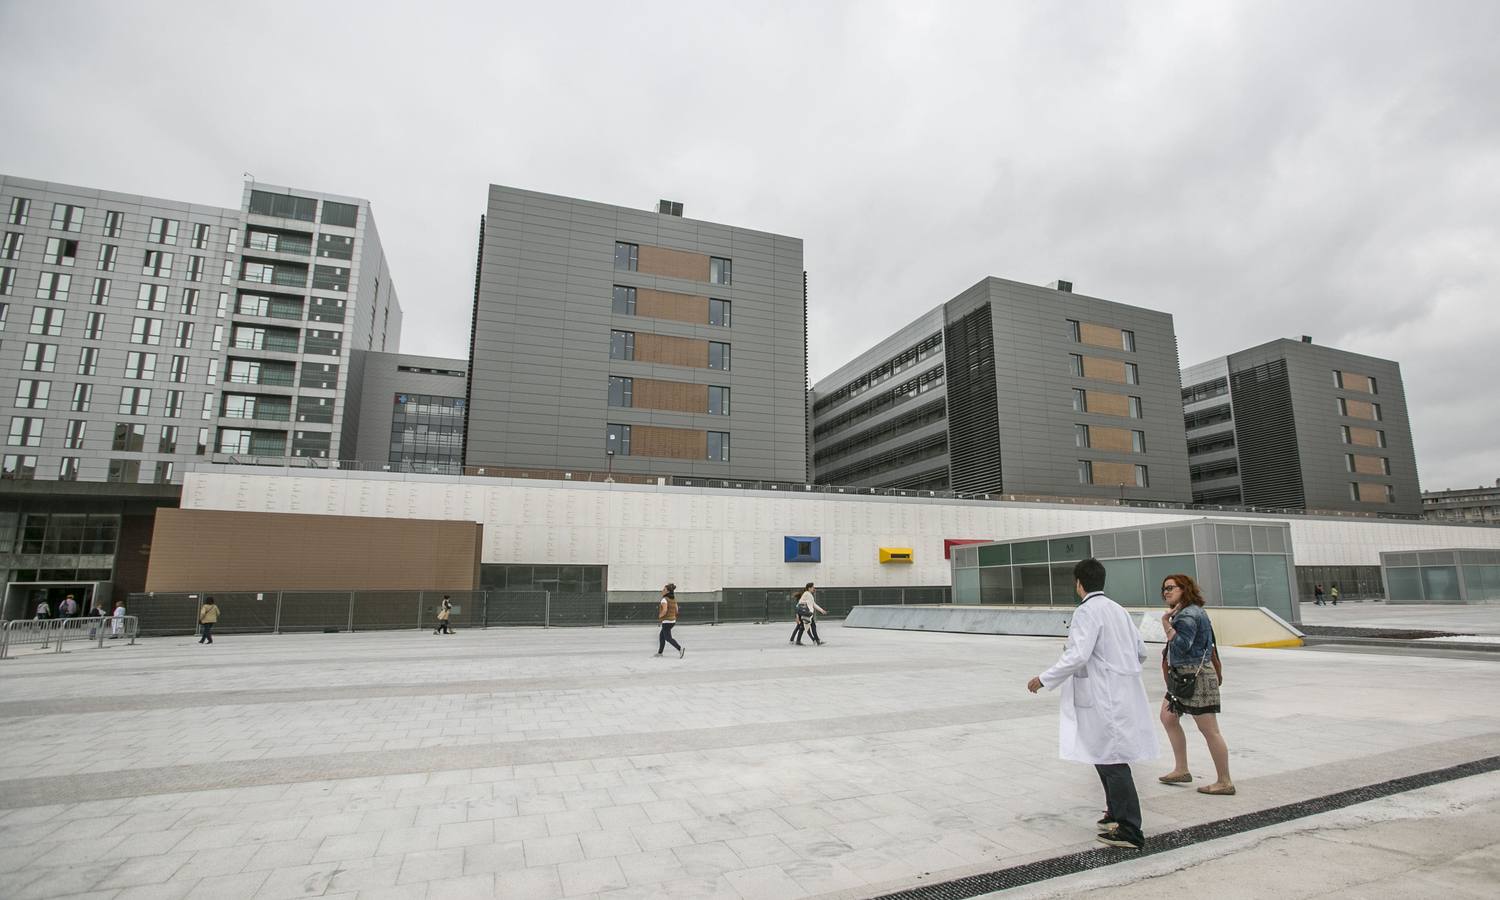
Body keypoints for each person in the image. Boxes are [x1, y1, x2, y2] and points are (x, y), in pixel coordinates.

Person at [1027, 558, 1156, 850]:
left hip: (1103, 695)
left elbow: (1078, 655)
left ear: (1078, 583)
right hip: (1118, 691)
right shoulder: (1118, 609)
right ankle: (1114, 813)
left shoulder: (1087, 611)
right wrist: (1120, 671)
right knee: (1104, 755)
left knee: (1112, 759)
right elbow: (1141, 651)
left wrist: (1043, 679)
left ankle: (1129, 829)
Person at [1157, 575, 1234, 796]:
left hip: (1195, 678)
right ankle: (1181, 769)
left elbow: (1182, 646)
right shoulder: (1189, 611)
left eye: (1171, 588)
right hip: (1182, 677)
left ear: (1184, 589)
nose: (1166, 592)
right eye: (1164, 589)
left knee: (1209, 730)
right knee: (1168, 717)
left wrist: (1166, 623)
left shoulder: (1188, 614)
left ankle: (1224, 781)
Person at [656, 583, 684, 658]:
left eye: (664, 589)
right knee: (662, 636)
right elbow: (677, 610)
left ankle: (680, 649)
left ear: (667, 591)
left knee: (668, 638)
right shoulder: (673, 599)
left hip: (666, 622)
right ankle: (660, 653)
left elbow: (664, 610)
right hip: (672, 621)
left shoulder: (664, 600)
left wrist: (660, 615)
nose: (662, 590)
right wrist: (672, 615)